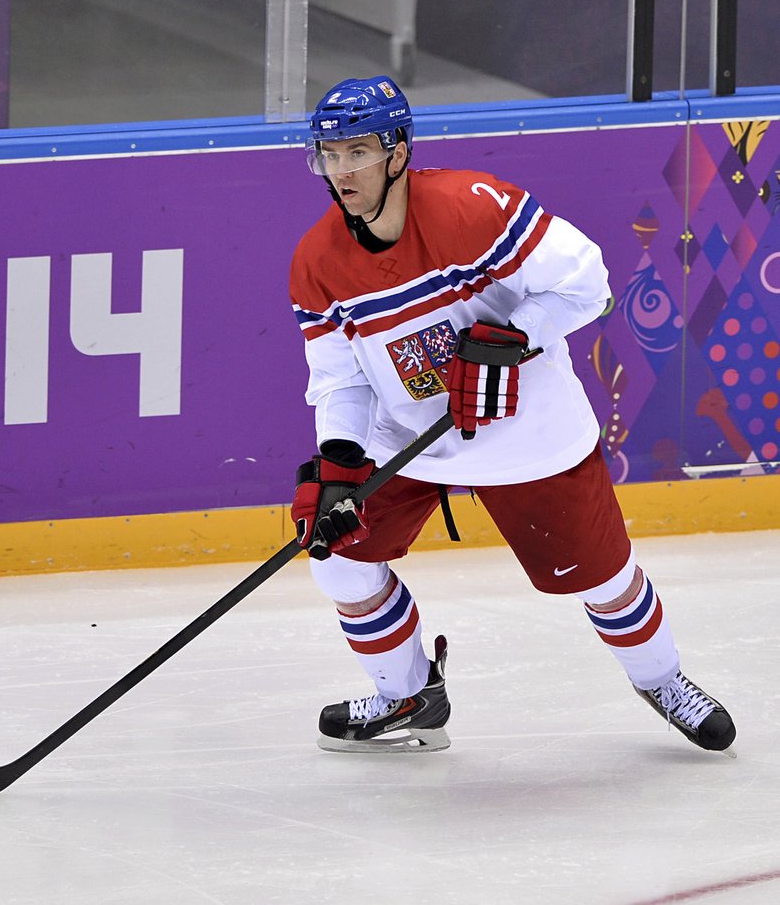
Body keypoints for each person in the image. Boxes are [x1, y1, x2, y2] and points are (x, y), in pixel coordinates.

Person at [288, 75, 736, 755]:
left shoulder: (475, 208)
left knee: (604, 577)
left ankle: (663, 680)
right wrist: (343, 458)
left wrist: (517, 335)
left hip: (527, 433)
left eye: (358, 151)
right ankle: (408, 696)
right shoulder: (317, 263)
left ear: (399, 151)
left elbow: (587, 284)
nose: (341, 170)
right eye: (330, 154)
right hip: (413, 439)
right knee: (340, 563)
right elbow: (340, 379)